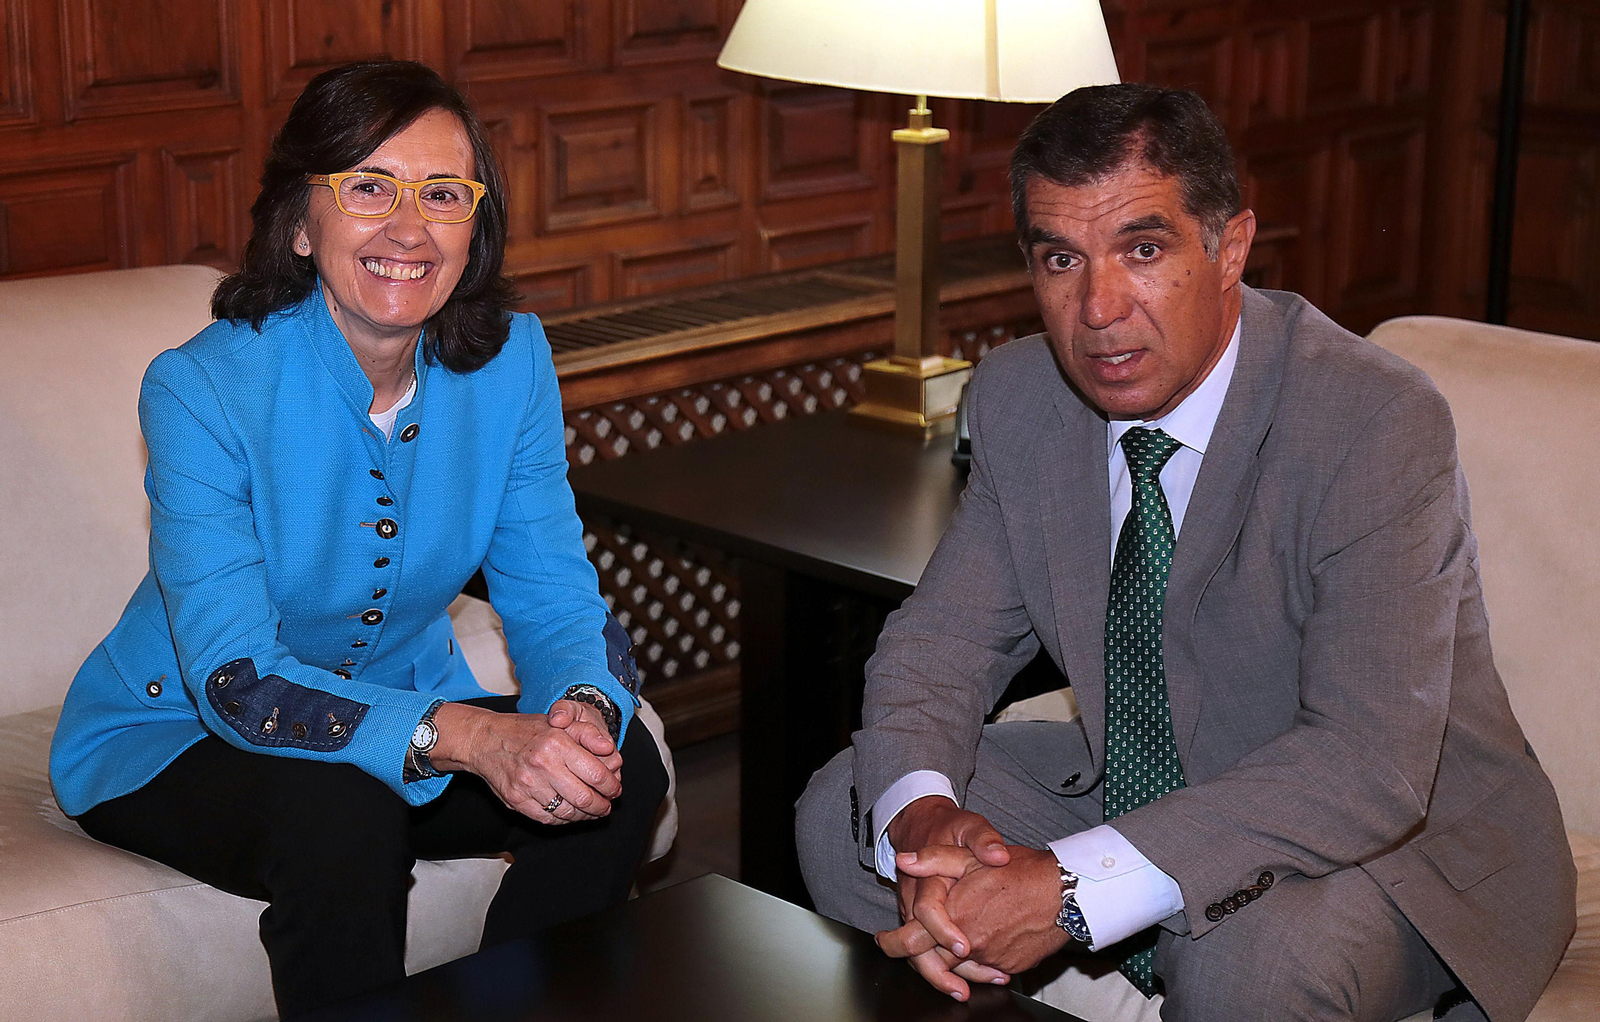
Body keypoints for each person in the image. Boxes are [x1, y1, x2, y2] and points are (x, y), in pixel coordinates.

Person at [796, 84, 1575, 1022]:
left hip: (1391, 836)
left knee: (1249, 963)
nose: (1098, 309)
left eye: (1144, 250)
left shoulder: (1372, 417)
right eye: (1061, 259)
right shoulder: (1019, 396)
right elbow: (942, 645)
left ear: (1230, 247)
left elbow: (1369, 761)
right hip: (1140, 777)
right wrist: (925, 821)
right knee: (848, 814)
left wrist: (1070, 888)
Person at [48, 60, 668, 1016]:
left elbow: (553, 595)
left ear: (475, 227)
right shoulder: (200, 389)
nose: (409, 228)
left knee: (619, 771)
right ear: (301, 223)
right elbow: (239, 680)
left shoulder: (513, 364)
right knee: (344, 814)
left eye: (443, 194)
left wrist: (579, 711)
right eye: (369, 187)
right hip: (178, 737)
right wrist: (472, 736)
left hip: (400, 706)